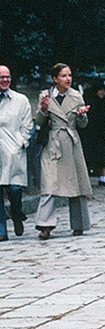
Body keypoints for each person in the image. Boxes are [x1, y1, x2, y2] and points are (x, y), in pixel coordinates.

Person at [33, 63, 93, 239]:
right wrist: (44, 110)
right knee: (49, 183)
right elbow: (39, 120)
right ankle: (45, 225)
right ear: (55, 79)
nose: (68, 79)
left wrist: (82, 115)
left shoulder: (76, 96)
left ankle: (79, 224)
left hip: (71, 142)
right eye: (64, 76)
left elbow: (83, 124)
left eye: (69, 75)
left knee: (76, 183)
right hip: (53, 143)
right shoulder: (45, 95)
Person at [0, 65, 33, 240]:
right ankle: (1, 231)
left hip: (13, 151)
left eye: (8, 77)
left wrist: (21, 142)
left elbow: (28, 125)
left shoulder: (20, 100)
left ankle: (16, 213)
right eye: (1, 77)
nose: (5, 80)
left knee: (14, 189)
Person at [81, 82, 105, 186]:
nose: (103, 93)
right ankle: (104, 176)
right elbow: (101, 120)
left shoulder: (87, 101)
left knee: (88, 156)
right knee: (101, 155)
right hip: (98, 134)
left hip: (87, 134)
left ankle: (86, 179)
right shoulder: (99, 104)